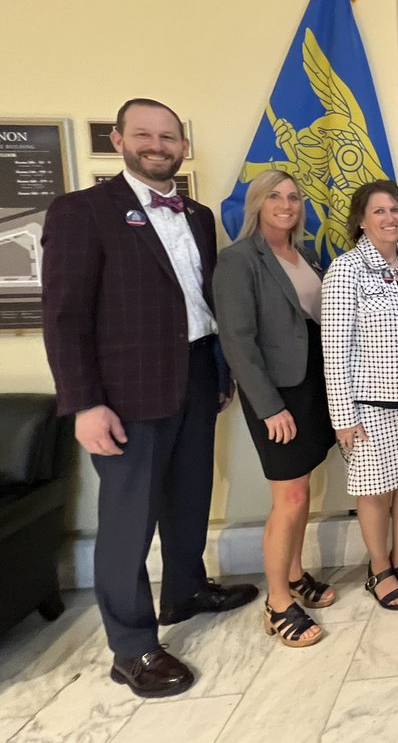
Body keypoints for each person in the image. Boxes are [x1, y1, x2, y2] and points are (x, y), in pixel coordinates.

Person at [41, 98, 257, 698]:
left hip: (195, 374)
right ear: (119, 140)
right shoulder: (82, 212)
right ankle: (132, 647)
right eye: (145, 135)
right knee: (127, 521)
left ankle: (185, 589)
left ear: (183, 146)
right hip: (124, 394)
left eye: (169, 136)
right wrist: (84, 404)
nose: (158, 145)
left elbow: (204, 302)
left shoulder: (197, 214)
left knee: (190, 498)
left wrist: (219, 373)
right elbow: (64, 318)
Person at [213, 169, 336, 648]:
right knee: (288, 498)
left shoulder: (303, 254)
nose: (286, 204)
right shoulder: (239, 260)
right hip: (276, 396)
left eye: (293, 197)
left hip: (311, 386)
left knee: (302, 490)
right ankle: (278, 603)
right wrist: (268, 408)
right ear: (257, 204)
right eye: (274, 197)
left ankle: (295, 571)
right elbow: (238, 341)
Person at [321, 179, 398, 611]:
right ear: (361, 220)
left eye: (395, 210)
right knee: (375, 488)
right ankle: (378, 567)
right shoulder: (346, 270)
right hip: (370, 405)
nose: (390, 218)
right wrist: (343, 416)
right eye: (379, 211)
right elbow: (334, 350)